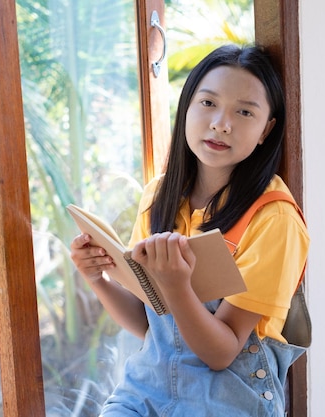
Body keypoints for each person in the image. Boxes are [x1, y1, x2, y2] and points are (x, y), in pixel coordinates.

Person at [70, 44, 310, 417]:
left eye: (244, 112)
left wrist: (179, 286)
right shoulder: (159, 196)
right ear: (187, 107)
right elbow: (149, 321)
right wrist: (98, 277)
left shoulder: (274, 218)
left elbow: (222, 353)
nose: (221, 123)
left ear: (267, 130)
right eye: (208, 103)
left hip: (230, 400)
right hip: (145, 391)